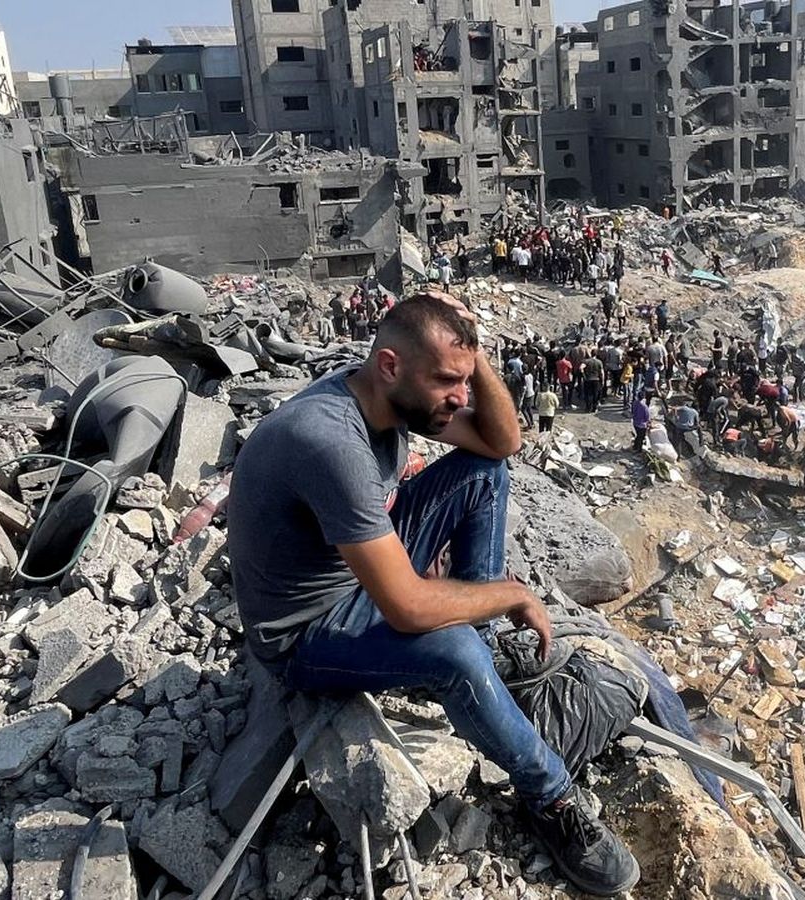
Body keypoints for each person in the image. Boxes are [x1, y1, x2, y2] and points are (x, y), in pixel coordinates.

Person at [226, 294, 638, 896]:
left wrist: (472, 351)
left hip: (356, 573)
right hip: (303, 632)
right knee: (453, 653)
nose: (460, 398)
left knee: (482, 474)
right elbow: (408, 607)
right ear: (390, 365)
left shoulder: (394, 399)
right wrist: (507, 593)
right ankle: (551, 799)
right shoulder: (328, 440)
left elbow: (502, 446)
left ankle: (492, 657)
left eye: (463, 382)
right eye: (448, 381)